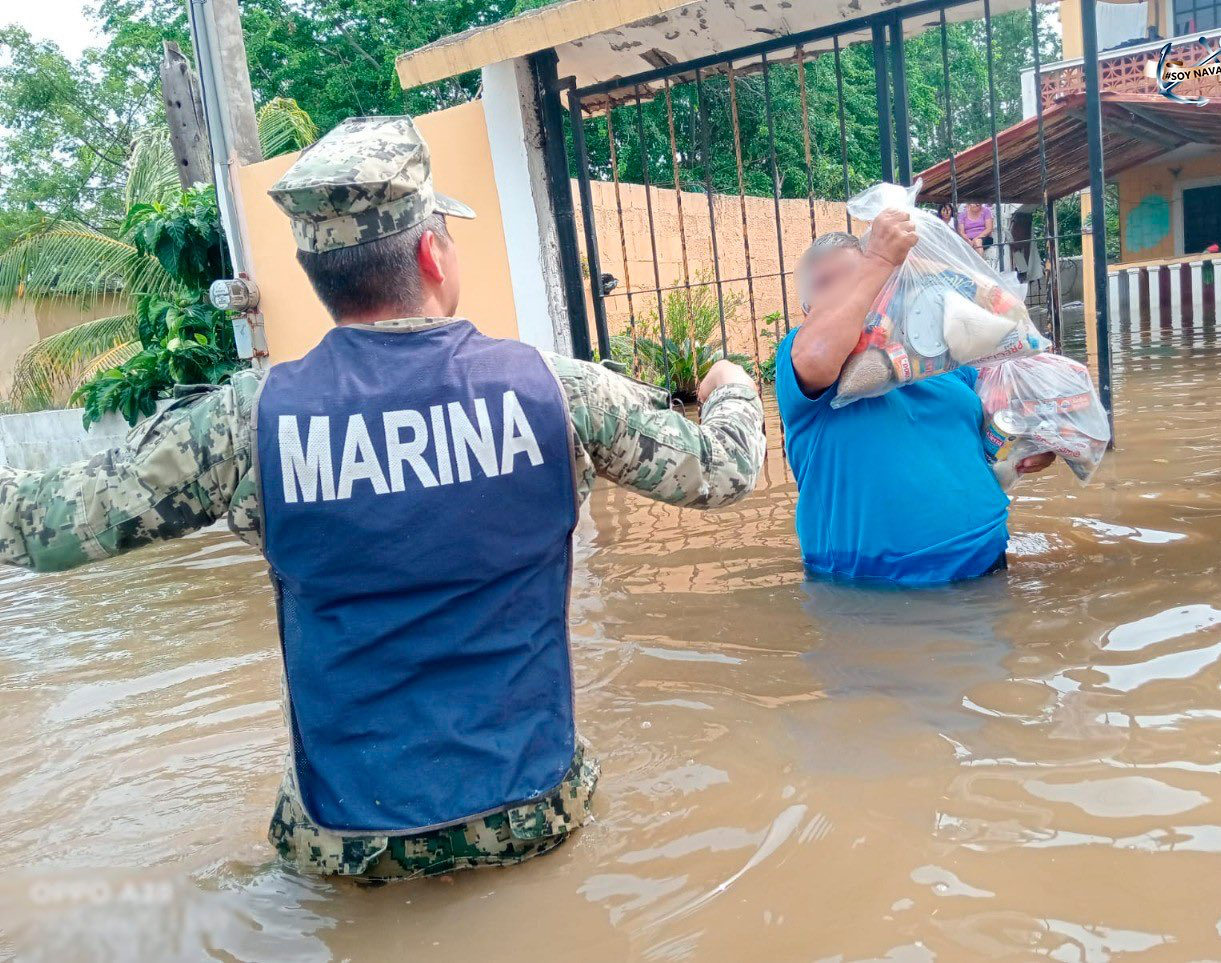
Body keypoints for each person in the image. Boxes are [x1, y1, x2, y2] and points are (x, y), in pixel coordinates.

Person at [0, 116, 766, 879]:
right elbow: (725, 469)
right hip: (532, 815)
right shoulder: (557, 392)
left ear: (315, 273)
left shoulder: (247, 421)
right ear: (432, 252)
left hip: (347, 841)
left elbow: (42, 527)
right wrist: (732, 386)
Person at [776, 224, 1053, 585]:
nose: (851, 293)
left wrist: (1030, 448)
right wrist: (878, 260)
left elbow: (1002, 421)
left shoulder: (939, 356)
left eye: (856, 279)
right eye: (828, 286)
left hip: (987, 566)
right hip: (871, 591)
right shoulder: (800, 360)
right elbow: (816, 355)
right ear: (808, 312)